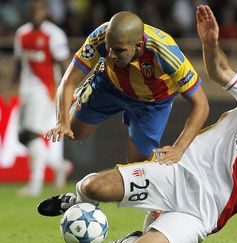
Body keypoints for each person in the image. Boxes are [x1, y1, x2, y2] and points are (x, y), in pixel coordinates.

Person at [37, 4, 237, 243]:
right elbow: (220, 72)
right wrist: (211, 43)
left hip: (204, 211)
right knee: (92, 186)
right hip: (178, 172)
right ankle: (76, 199)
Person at [43, 9, 209, 226]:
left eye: (119, 50)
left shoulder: (166, 52)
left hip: (152, 103)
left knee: (138, 167)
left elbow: (202, 104)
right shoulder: (101, 36)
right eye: (109, 49)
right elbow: (67, 82)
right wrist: (61, 122)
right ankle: (90, 88)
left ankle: (80, 199)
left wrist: (179, 148)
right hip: (109, 86)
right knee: (74, 132)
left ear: (139, 46)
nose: (111, 54)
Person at [13, 1, 72, 197]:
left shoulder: (54, 34)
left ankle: (35, 185)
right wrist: (10, 86)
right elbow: (19, 63)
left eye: (39, 8)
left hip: (45, 89)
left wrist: (67, 91)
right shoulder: (21, 33)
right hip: (26, 89)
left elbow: (65, 64)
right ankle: (59, 166)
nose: (35, 12)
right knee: (22, 137)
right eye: (32, 8)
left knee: (31, 134)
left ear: (45, 11)